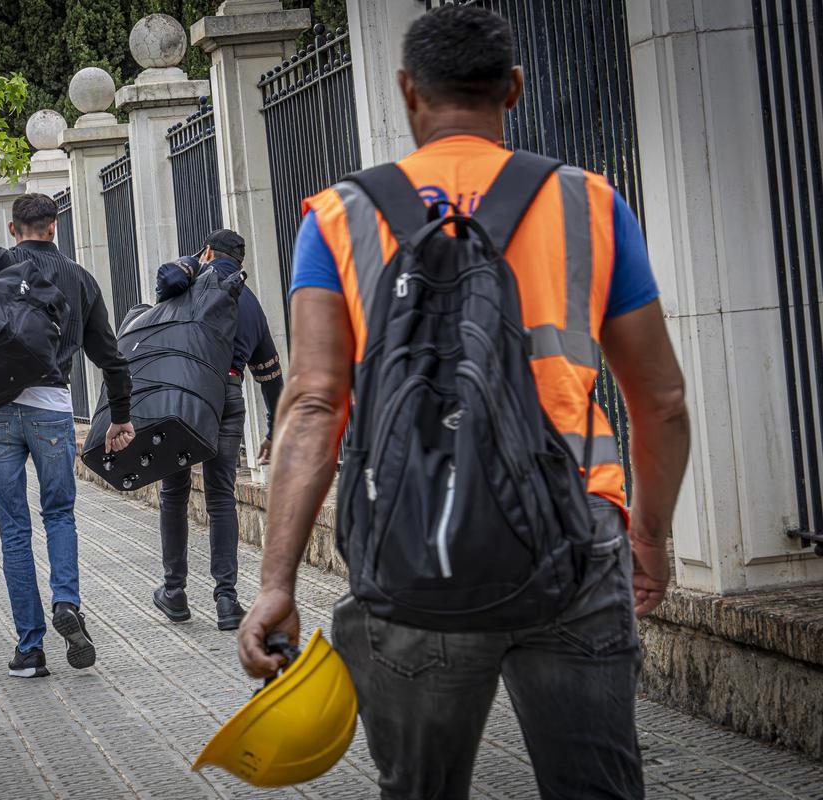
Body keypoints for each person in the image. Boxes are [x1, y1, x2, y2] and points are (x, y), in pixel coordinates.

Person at [238, 7, 691, 799]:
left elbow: (312, 402)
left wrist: (277, 581)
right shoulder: (588, 204)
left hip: (415, 547)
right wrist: (648, 535)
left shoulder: (340, 216)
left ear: (409, 91)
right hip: (576, 540)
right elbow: (662, 400)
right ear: (514, 88)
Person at [0, 193, 134, 679]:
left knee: (14, 528)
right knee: (59, 513)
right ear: (54, 226)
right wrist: (122, 416)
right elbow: (110, 355)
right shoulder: (81, 279)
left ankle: (30, 648)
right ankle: (67, 601)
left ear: (12, 226)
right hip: (52, 408)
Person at [151, 229, 284, 632]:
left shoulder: (189, 284)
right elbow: (271, 376)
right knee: (221, 497)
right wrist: (274, 430)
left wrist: (192, 262)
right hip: (228, 398)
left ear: (207, 251)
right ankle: (227, 599)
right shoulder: (251, 304)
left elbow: (164, 281)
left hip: (184, 398)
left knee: (173, 492)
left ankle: (174, 592)